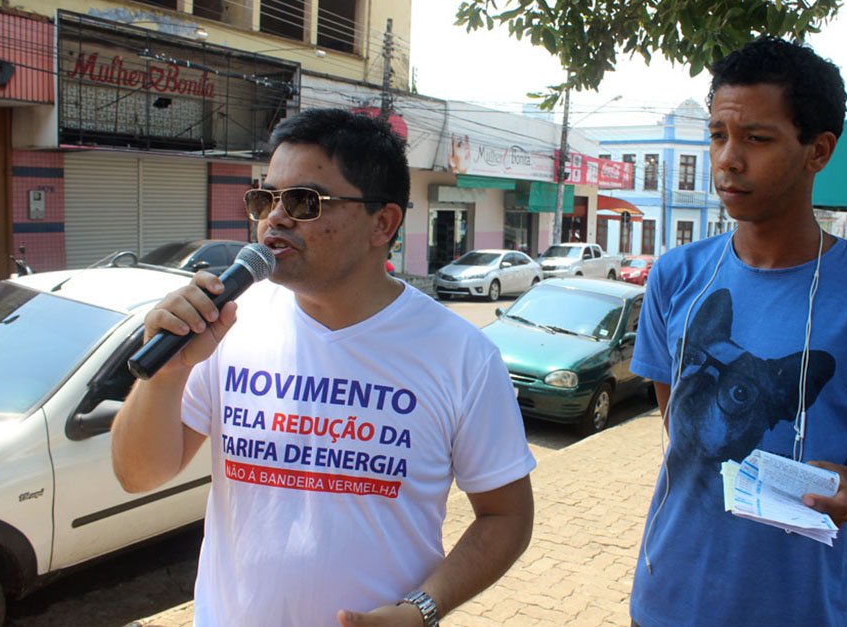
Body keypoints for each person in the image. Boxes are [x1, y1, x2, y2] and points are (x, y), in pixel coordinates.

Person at [111, 108, 536, 627]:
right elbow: (138, 474)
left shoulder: (461, 356)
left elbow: (506, 516)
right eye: (265, 198)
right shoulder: (226, 327)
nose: (275, 218)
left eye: (304, 201)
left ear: (383, 223)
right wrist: (169, 370)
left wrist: (422, 609)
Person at [628, 37, 847, 627]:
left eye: (757, 139)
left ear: (817, 150)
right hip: (668, 593)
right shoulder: (676, 275)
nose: (727, 159)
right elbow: (680, 429)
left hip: (800, 607)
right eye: (718, 134)